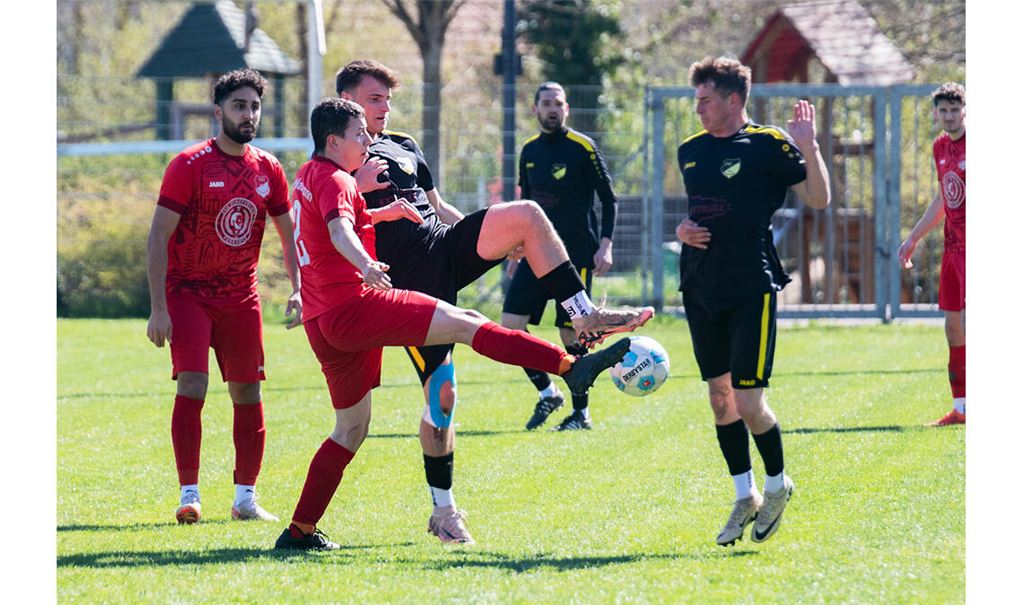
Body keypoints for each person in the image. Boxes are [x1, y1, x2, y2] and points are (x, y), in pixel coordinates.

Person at [273, 98, 632, 550]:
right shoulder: (341, 180)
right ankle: (569, 367)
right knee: (466, 322)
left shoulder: (308, 175)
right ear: (333, 140)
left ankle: (299, 530)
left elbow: (331, 226)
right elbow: (340, 230)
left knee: (350, 428)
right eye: (359, 134)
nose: (368, 142)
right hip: (355, 307)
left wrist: (387, 213)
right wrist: (365, 263)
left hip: (323, 321)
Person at [674, 57, 831, 547]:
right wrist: (681, 230)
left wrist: (809, 146)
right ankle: (744, 496)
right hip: (699, 286)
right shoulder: (690, 151)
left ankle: (776, 483)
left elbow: (819, 198)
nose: (697, 109)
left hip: (751, 288)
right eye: (696, 100)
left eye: (705, 100)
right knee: (720, 399)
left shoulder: (768, 145)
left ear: (734, 100)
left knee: (748, 401)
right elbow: (700, 211)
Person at [146, 68, 302, 525]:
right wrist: (158, 307)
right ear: (218, 111)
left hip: (240, 297)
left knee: (248, 392)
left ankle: (245, 499)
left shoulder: (268, 169)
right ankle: (190, 493)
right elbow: (158, 238)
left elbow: (289, 235)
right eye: (239, 105)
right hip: (188, 294)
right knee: (192, 383)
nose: (249, 114)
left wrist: (298, 288)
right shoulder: (188, 165)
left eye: (254, 106)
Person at [503, 82, 620, 432]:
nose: (552, 109)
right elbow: (526, 202)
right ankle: (547, 391)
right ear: (535, 108)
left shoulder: (583, 147)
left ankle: (581, 413)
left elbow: (609, 198)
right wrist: (516, 246)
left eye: (558, 103)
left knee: (571, 332)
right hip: (534, 252)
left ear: (566, 109)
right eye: (546, 103)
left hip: (575, 255)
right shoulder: (529, 151)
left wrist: (606, 244)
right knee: (510, 326)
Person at [898, 82, 967, 427]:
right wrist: (913, 238)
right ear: (936, 113)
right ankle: (962, 409)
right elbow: (943, 198)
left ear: (965, 110)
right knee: (953, 330)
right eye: (944, 111)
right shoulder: (940, 146)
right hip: (954, 251)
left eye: (955, 110)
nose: (950, 116)